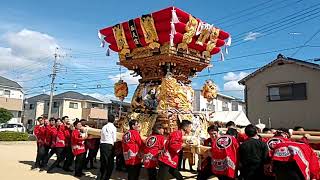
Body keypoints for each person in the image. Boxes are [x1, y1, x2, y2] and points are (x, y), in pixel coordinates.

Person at [98, 114, 117, 180]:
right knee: (109, 164)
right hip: (109, 146)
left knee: (103, 163)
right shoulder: (113, 128)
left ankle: (100, 178)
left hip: (102, 145)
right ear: (114, 120)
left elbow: (101, 136)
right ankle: (105, 178)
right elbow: (114, 139)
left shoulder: (104, 127)